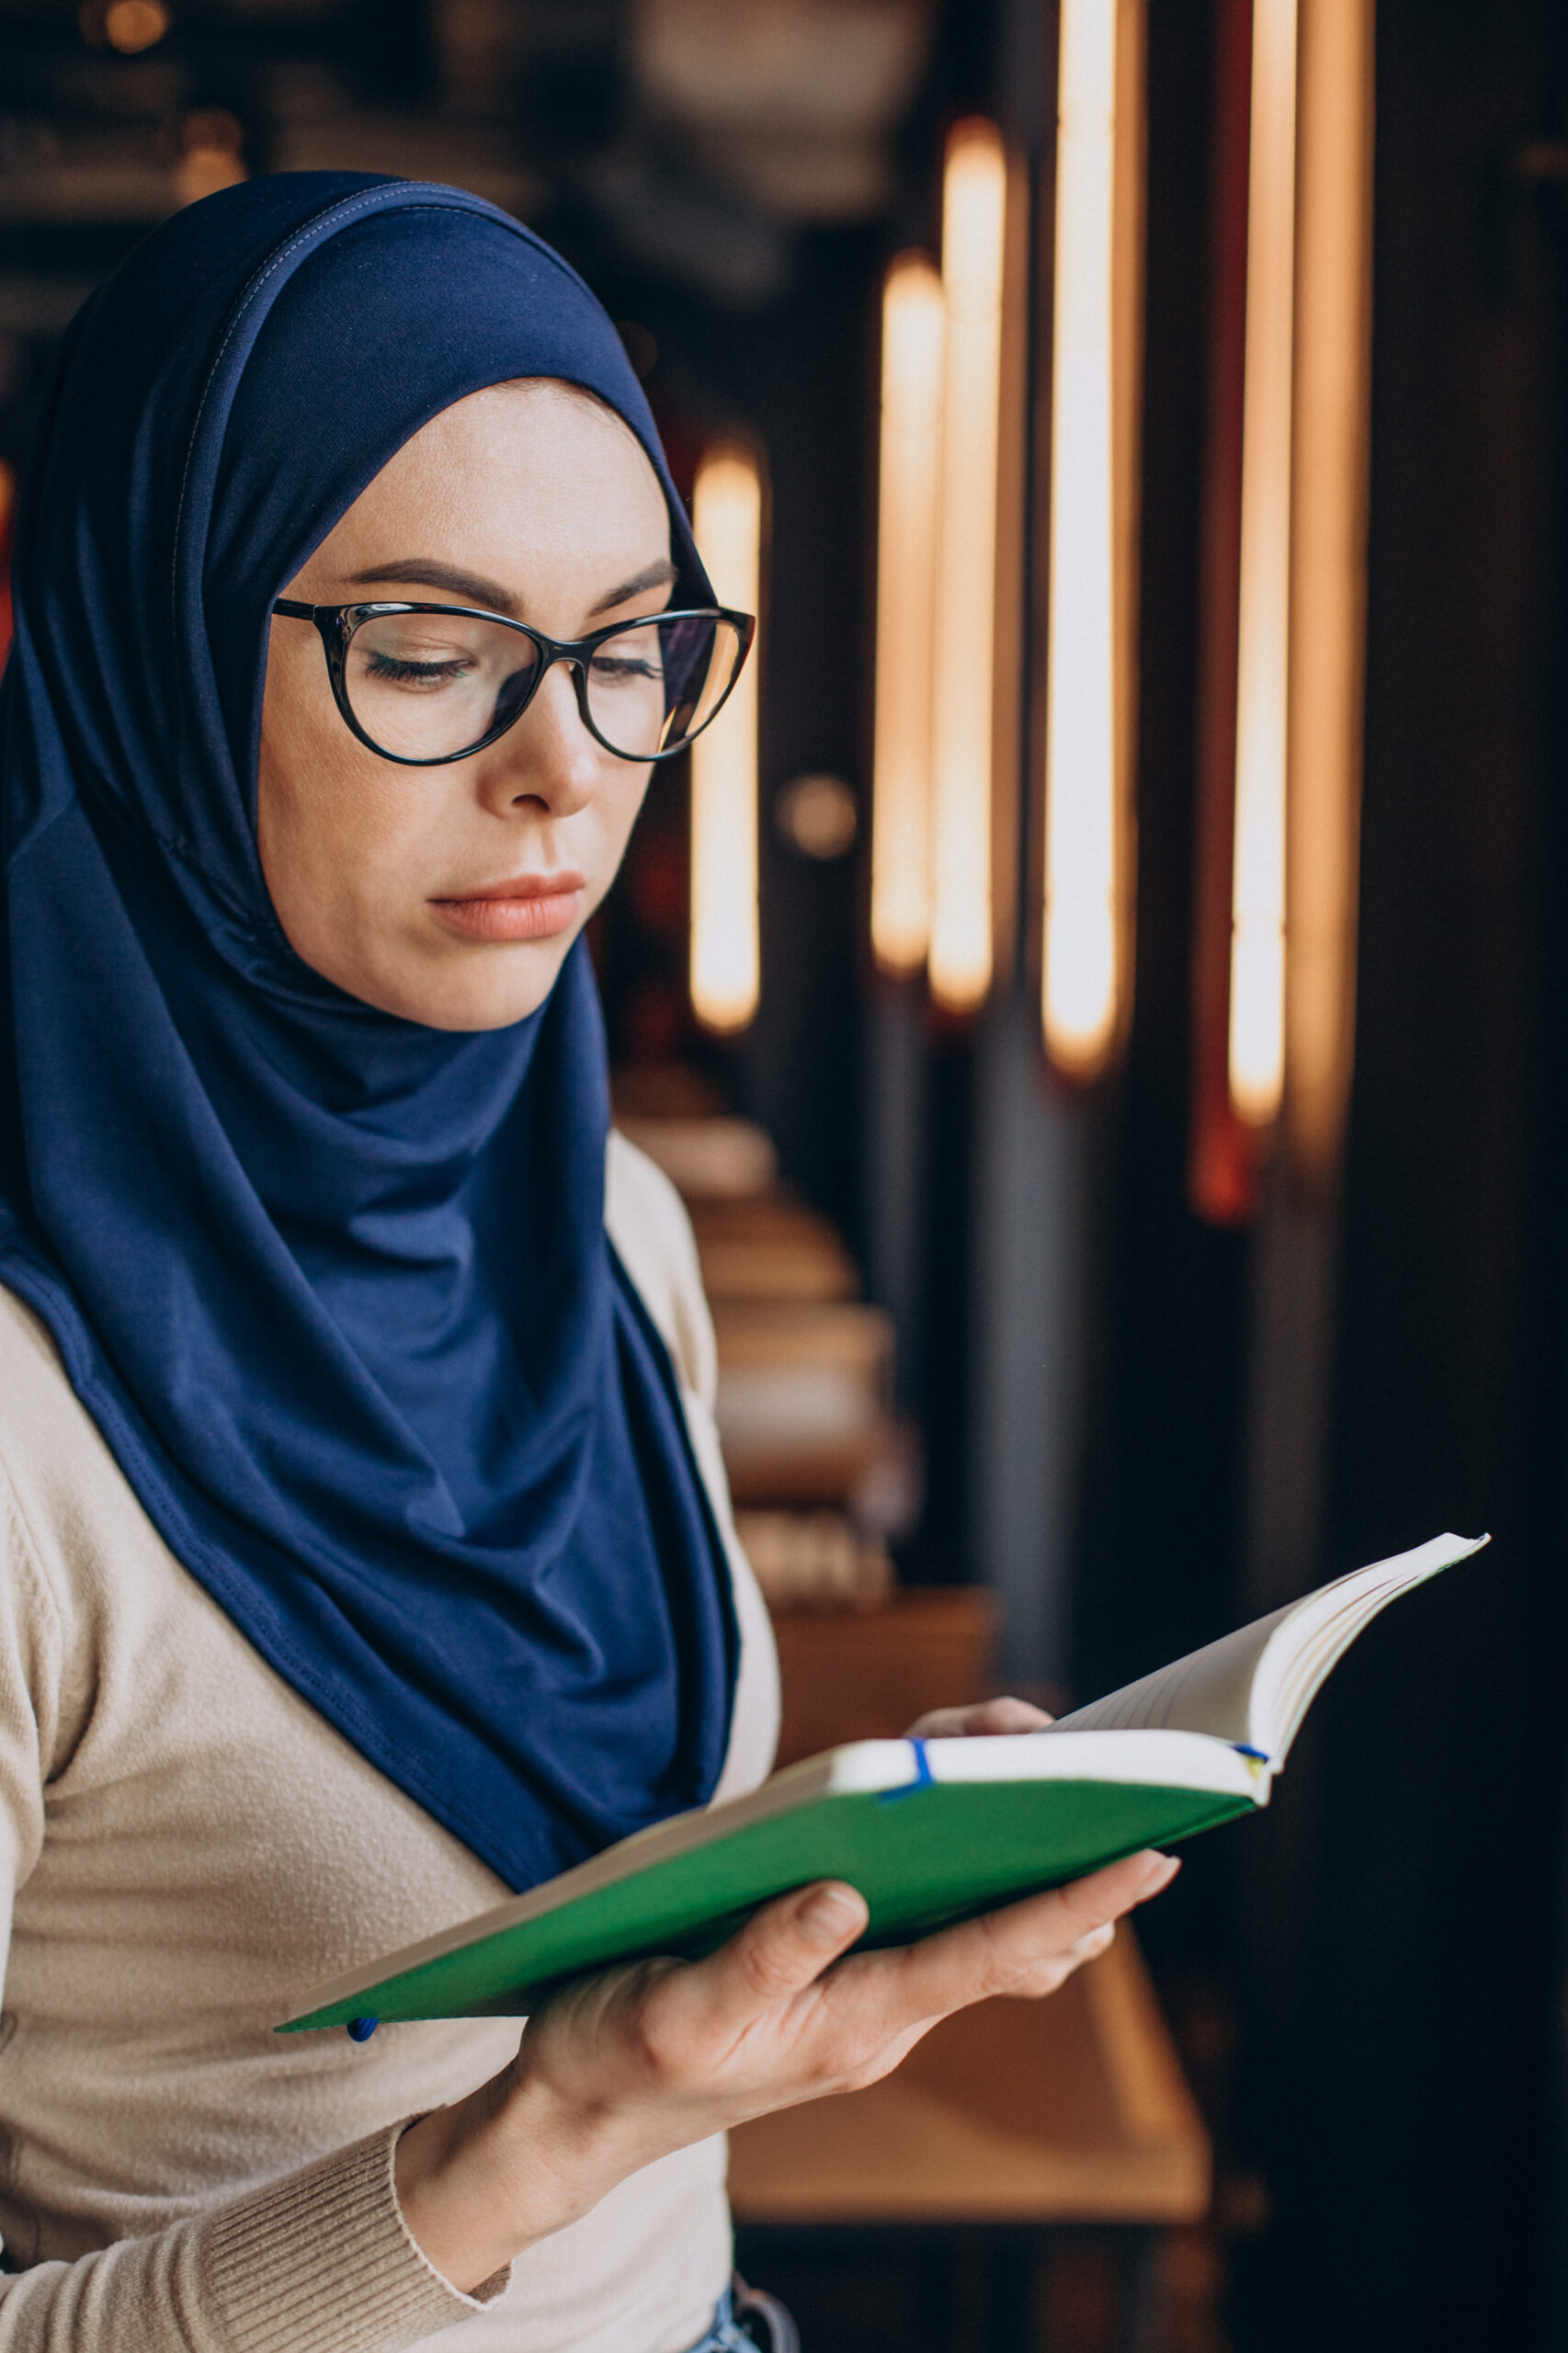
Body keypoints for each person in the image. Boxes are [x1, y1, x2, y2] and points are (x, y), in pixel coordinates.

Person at [0, 174, 1178, 2352]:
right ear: (154, 652)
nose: (565, 770)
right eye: (431, 655)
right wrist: (540, 2133)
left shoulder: (605, 1226)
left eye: (631, 651)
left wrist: (835, 1871)